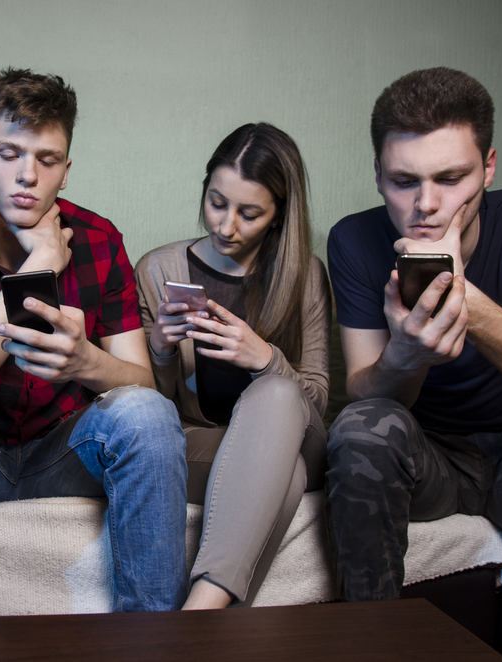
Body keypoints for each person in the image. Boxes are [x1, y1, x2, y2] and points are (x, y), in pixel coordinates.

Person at [327, 67, 502, 662]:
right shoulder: (354, 239)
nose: (426, 205)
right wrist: (405, 356)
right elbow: (365, 394)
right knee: (360, 429)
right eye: (404, 181)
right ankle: (373, 648)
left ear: (488, 166)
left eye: (451, 178)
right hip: (427, 458)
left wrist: (464, 298)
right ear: (378, 174)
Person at [0, 68, 188, 617]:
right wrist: (44, 260)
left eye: (47, 159)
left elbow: (143, 385)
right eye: (7, 154)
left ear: (66, 170)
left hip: (62, 450)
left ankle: (155, 643)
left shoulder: (100, 240)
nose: (27, 175)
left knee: (146, 415)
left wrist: (86, 360)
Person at [135, 123, 329, 609]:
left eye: (249, 213)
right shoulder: (159, 270)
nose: (225, 226)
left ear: (279, 214)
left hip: (299, 436)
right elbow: (149, 412)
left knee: (279, 395)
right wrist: (159, 347)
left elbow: (320, 402)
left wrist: (265, 360)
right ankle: (204, 621)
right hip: (205, 439)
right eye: (217, 203)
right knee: (287, 478)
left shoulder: (305, 277)